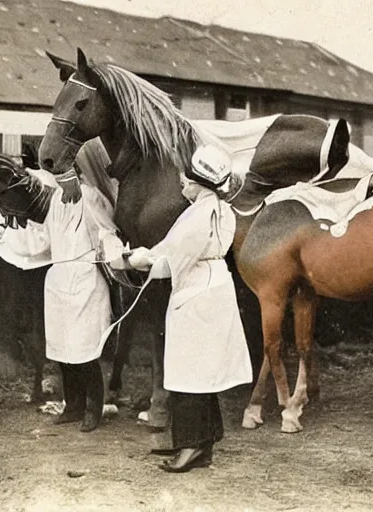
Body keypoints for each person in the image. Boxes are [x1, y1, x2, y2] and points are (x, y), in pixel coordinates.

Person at [108, 144, 253, 472]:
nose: (182, 185)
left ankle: (190, 446)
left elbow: (167, 262)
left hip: (197, 290)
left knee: (188, 371)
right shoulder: (220, 209)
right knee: (204, 371)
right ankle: (204, 443)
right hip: (214, 286)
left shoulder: (197, 214)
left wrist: (132, 258)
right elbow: (177, 250)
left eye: (186, 181)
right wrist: (150, 255)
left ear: (201, 183)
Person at [0, 160, 123, 433]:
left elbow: (107, 230)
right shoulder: (56, 202)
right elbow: (42, 240)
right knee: (63, 350)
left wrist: (114, 256)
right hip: (59, 279)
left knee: (85, 349)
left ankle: (93, 408)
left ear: (76, 174)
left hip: (85, 279)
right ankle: (73, 405)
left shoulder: (91, 198)